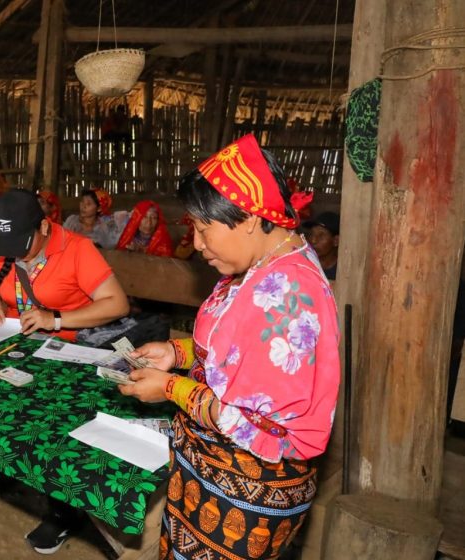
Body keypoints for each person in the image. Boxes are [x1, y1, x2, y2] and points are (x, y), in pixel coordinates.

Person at [119, 134, 339, 560]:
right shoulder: (257, 266)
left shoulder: (288, 296)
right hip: (211, 476)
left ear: (251, 218)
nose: (197, 244)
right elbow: (233, 349)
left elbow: (262, 424)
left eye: (204, 229)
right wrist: (177, 354)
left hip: (243, 500)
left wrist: (170, 388)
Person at [0, 189, 129, 554]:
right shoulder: (5, 245)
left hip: (68, 351)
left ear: (44, 225)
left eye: (22, 243)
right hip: (16, 343)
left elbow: (117, 303)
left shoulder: (76, 249)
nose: (14, 252)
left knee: (57, 420)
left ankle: (63, 512)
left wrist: (56, 318)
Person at [62, 188, 127, 249]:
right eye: (82, 202)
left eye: (88, 204)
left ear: (99, 209)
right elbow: (61, 240)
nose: (83, 206)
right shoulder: (72, 221)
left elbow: (111, 247)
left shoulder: (104, 228)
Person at [303, 211, 339, 280]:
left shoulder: (344, 270)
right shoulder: (303, 265)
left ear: (336, 241)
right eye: (311, 234)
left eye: (321, 235)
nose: (313, 240)